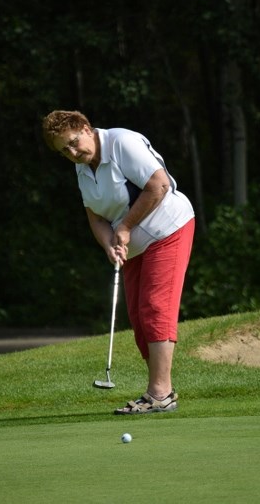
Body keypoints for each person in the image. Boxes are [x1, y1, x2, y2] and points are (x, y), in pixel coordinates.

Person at [42, 110, 195, 414]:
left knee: (155, 306)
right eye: (64, 151)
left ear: (86, 128)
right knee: (139, 317)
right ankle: (160, 391)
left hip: (168, 229)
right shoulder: (82, 167)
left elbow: (159, 185)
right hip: (134, 247)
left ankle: (160, 393)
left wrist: (123, 228)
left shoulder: (121, 142)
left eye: (73, 143)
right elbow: (94, 215)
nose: (72, 153)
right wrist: (107, 245)